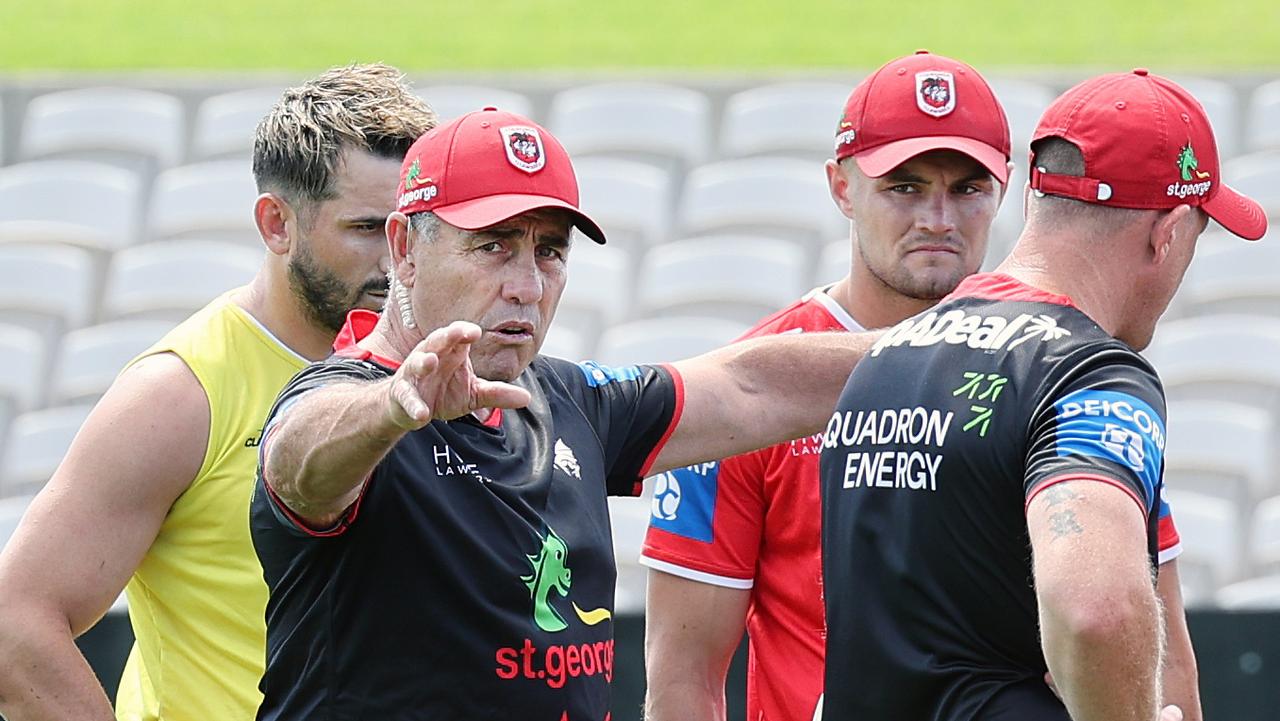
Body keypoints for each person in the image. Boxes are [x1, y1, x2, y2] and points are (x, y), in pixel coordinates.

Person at [248, 108, 881, 721]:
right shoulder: (349, 396)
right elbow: (298, 464)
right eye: (493, 246)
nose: (527, 284)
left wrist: (942, 349)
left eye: (549, 251)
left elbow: (750, 386)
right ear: (404, 247)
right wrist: (390, 410)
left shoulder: (567, 398)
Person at [641, 52, 1200, 721]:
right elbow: (684, 680)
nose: (938, 217)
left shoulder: (1067, 375)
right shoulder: (752, 396)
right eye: (903, 186)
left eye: (968, 188)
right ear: (841, 187)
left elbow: (1156, 636)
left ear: (1011, 191)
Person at [819, 69, 1265, 721]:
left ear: (1031, 201)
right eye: (1195, 235)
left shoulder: (886, 356)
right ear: (1166, 232)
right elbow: (1096, 609)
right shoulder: (1087, 372)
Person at [0, 64, 436, 721]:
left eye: (413, 228)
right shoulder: (180, 393)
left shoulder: (436, 368)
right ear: (276, 224)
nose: (395, 256)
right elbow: (14, 627)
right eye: (366, 228)